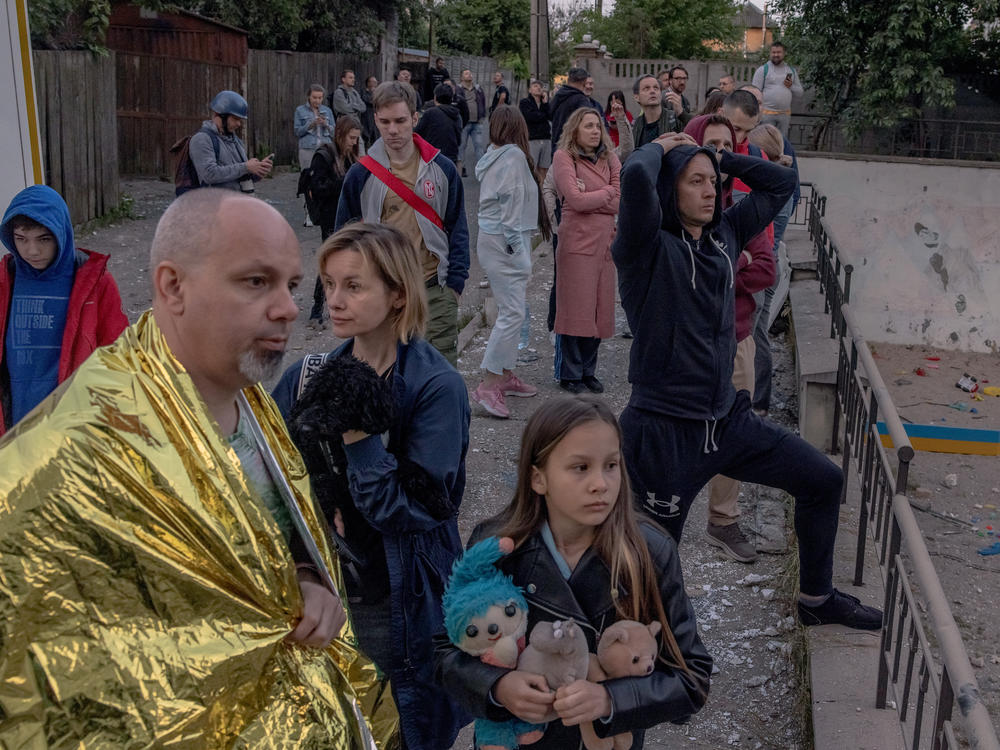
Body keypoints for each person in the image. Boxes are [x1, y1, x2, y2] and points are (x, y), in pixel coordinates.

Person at [0, 189, 395, 745]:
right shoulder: (78, 451)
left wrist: (311, 582)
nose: (286, 308)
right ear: (172, 286)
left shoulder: (251, 401)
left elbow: (278, 539)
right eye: (256, 282)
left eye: (292, 285)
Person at [612, 133, 883, 631]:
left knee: (824, 480)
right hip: (663, 431)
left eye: (713, 183)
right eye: (695, 182)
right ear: (670, 189)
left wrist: (719, 157)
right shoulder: (644, 247)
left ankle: (816, 601)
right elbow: (633, 176)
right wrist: (659, 144)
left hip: (727, 421)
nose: (711, 190)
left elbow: (783, 182)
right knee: (646, 558)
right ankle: (635, 655)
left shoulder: (726, 234)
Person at [273, 221, 470, 750]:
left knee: (406, 731)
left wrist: (358, 433)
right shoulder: (306, 377)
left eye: (353, 286)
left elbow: (410, 510)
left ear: (398, 294)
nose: (334, 300)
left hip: (401, 602)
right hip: (326, 596)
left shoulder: (435, 388)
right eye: (329, 284)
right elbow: (268, 485)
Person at [435, 396, 712, 749]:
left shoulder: (648, 553)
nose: (601, 483)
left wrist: (610, 699)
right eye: (580, 468)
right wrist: (497, 687)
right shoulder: (498, 547)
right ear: (538, 478)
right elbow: (445, 649)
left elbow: (692, 677)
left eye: (611, 465)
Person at [685, 114, 776, 563]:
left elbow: (766, 269)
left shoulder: (744, 208)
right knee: (680, 427)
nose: (718, 155)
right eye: (710, 146)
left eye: (727, 146)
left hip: (738, 337)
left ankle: (723, 519)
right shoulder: (674, 205)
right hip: (689, 343)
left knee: (733, 432)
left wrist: (722, 268)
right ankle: (659, 515)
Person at [335, 81, 469, 366]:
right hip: (381, 292)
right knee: (380, 377)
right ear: (375, 121)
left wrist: (455, 284)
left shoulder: (442, 169)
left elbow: (457, 226)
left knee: (439, 378)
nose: (393, 130)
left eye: (400, 120)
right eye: (384, 122)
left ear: (415, 118)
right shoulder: (360, 175)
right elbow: (342, 238)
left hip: (433, 289)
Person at [0, 184, 128, 436]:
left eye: (44, 239)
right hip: (12, 421)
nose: (32, 251)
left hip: (70, 421)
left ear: (62, 233)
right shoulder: (5, 281)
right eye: (21, 239)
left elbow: (117, 353)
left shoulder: (93, 282)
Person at [470, 105, 551, 419]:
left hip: (494, 241)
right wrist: (521, 254)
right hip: (504, 242)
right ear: (520, 128)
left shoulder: (495, 154)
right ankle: (489, 384)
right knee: (512, 312)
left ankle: (503, 375)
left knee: (511, 310)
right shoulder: (514, 157)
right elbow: (512, 210)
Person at [551, 108, 621, 394]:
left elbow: (621, 201)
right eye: (588, 126)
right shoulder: (563, 157)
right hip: (577, 243)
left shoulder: (610, 157)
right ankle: (571, 374)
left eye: (597, 126)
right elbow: (575, 200)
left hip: (605, 242)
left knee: (599, 309)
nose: (595, 131)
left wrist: (593, 193)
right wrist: (606, 191)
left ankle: (589, 370)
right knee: (575, 310)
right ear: (575, 130)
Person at [747, 123, 800, 417]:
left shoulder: (773, 186)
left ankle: (757, 400)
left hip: (762, 264)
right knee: (759, 333)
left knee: (753, 334)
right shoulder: (783, 181)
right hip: (770, 263)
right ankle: (759, 400)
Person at [307, 115, 362, 325]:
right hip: (330, 216)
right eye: (351, 138)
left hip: (350, 215)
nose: (354, 142)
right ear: (341, 134)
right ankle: (317, 307)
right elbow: (318, 187)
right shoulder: (324, 155)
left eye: (357, 139)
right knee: (330, 260)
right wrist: (344, 184)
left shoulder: (349, 156)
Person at [191, 90, 271, 192]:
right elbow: (209, 174)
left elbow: (239, 175)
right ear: (218, 115)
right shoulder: (202, 139)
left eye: (240, 120)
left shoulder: (235, 140)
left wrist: (257, 171)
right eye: (235, 119)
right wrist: (246, 167)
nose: (239, 124)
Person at [295, 83, 336, 226]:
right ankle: (308, 213)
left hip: (324, 150)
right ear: (308, 97)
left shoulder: (327, 111)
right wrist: (310, 125)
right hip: (307, 149)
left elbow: (334, 132)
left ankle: (322, 209)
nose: (317, 101)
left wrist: (326, 125)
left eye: (320, 98)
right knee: (308, 179)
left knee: (323, 179)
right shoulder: (300, 111)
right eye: (314, 97)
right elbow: (297, 132)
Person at [751, 41, 803, 138]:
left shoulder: (790, 71)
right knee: (765, 142)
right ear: (770, 53)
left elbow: (800, 93)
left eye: (778, 52)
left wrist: (791, 86)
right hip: (766, 115)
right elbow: (754, 93)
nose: (776, 55)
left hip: (784, 116)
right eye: (773, 52)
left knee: (781, 143)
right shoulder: (763, 70)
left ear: (784, 53)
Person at [415, 83, 464, 163]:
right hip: (451, 158)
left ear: (435, 97)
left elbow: (418, 133)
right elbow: (458, 139)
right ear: (451, 98)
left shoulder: (430, 113)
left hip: (433, 157)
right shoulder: (456, 114)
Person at [631, 74, 682, 149]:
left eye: (656, 88)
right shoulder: (635, 125)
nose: (652, 91)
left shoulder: (674, 119)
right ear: (637, 97)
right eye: (646, 88)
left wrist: (682, 114)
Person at [549, 67, 591, 151]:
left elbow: (549, 114)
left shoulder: (558, 96)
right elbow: (587, 122)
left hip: (557, 144)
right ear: (583, 81)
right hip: (574, 148)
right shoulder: (581, 100)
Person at [520, 79, 552, 182]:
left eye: (540, 86)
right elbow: (531, 117)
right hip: (532, 139)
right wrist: (543, 115)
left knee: (544, 168)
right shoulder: (525, 102)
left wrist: (545, 103)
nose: (538, 88)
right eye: (535, 86)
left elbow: (551, 116)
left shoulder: (544, 103)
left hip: (546, 138)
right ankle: (533, 193)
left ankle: (543, 195)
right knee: (532, 169)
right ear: (530, 90)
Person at [457, 69, 487, 177]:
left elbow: (483, 102)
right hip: (464, 123)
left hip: (477, 122)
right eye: (466, 73)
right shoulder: (458, 89)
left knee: (479, 146)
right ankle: (461, 168)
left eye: (470, 73)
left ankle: (482, 170)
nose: (469, 74)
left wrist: (482, 116)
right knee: (461, 146)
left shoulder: (478, 89)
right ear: (461, 77)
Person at [332, 70, 367, 136]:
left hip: (356, 123)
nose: (353, 80)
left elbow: (363, 107)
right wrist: (356, 107)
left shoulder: (354, 92)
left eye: (353, 78)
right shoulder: (339, 92)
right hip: (344, 123)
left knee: (358, 144)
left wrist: (352, 105)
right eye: (350, 78)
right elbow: (345, 109)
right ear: (343, 79)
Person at [361, 75, 379, 148]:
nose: (375, 83)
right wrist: (373, 93)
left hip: (376, 119)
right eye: (373, 82)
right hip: (367, 119)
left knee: (376, 139)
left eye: (376, 82)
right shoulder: (363, 92)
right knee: (366, 139)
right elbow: (370, 101)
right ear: (368, 83)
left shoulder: (378, 93)